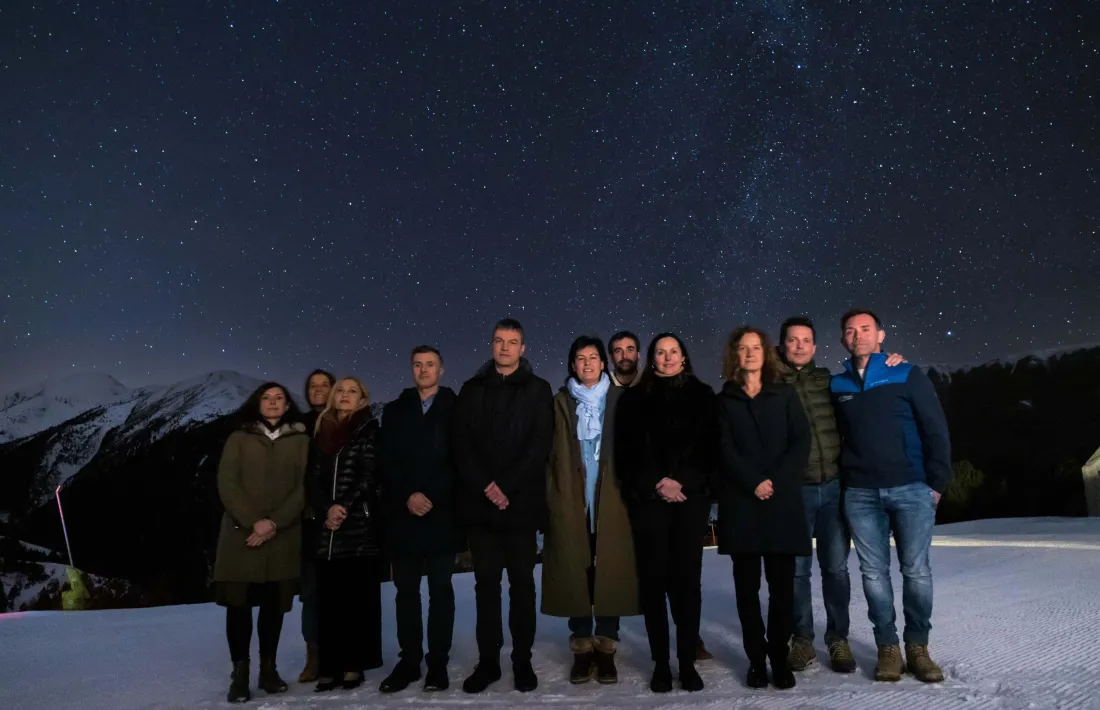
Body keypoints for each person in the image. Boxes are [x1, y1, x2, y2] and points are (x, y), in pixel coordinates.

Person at [831, 309, 952, 683]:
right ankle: (888, 646)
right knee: (873, 574)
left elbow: (935, 428)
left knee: (916, 571)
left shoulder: (906, 373)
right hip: (861, 492)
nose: (858, 335)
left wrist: (937, 483)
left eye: (865, 329)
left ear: (880, 335)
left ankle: (918, 647)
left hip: (912, 488)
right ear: (842, 340)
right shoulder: (836, 385)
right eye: (850, 331)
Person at [779, 317, 905, 674]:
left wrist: (888, 359)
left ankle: (838, 638)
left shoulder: (830, 382)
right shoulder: (773, 384)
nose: (800, 346)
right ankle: (802, 639)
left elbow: (864, 388)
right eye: (793, 340)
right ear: (782, 346)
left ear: (816, 347)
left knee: (835, 569)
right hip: (796, 491)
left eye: (806, 340)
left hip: (834, 486)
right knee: (797, 572)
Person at [452, 318, 554, 693]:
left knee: (523, 585)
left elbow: (539, 442)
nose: (505, 347)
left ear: (523, 348)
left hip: (521, 504)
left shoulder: (538, 389)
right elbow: (460, 444)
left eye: (513, 342)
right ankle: (489, 662)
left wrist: (505, 486)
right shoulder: (471, 389)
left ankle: (522, 660)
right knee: (486, 586)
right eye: (499, 341)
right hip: (481, 507)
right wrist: (486, 486)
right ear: (491, 344)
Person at [615, 332, 717, 693]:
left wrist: (681, 482)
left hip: (691, 500)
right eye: (661, 352)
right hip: (649, 502)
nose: (668, 357)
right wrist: (658, 482)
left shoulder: (704, 397)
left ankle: (687, 661)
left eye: (674, 351)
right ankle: (661, 663)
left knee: (687, 584)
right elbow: (626, 456)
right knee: (654, 583)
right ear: (652, 359)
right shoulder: (633, 400)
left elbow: (710, 451)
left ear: (684, 357)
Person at [716, 327, 811, 690]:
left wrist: (774, 480)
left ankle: (779, 657)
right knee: (747, 591)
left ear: (765, 353)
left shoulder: (784, 394)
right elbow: (723, 448)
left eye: (756, 347)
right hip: (742, 503)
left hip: (781, 502)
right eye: (743, 348)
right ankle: (756, 660)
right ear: (735, 355)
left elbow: (800, 441)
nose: (750, 353)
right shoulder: (724, 400)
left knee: (782, 591)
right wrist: (752, 480)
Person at [542, 335, 639, 686]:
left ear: (603, 363)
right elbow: (546, 457)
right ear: (572, 364)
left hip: (612, 501)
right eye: (580, 358)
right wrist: (553, 496)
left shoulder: (621, 401)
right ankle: (582, 648)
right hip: (572, 501)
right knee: (575, 571)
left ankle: (607, 647)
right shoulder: (559, 403)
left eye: (594, 357)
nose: (587, 363)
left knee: (610, 570)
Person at [214, 382, 309, 704]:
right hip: (241, 535)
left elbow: (304, 487)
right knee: (238, 606)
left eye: (279, 398)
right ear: (257, 404)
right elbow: (227, 483)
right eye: (266, 398)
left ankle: (268, 670)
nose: (272, 402)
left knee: (273, 608)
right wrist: (254, 520)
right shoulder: (239, 438)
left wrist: (274, 523)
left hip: (282, 536)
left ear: (287, 406)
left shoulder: (301, 440)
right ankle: (240, 674)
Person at [378, 346, 461, 693]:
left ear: (441, 370)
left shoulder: (456, 408)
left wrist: (433, 495)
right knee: (406, 592)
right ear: (411, 369)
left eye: (430, 365)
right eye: (418, 365)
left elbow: (460, 457)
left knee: (441, 591)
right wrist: (408, 495)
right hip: (405, 515)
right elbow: (386, 460)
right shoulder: (395, 411)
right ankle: (410, 661)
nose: (424, 370)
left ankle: (437, 662)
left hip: (443, 514)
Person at [308, 377, 385, 692]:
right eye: (340, 389)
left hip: (357, 527)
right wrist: (326, 507)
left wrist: (343, 507)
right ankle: (329, 665)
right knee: (328, 601)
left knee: (356, 600)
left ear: (363, 400)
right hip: (326, 530)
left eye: (352, 391)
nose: (345, 395)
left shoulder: (368, 431)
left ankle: (353, 664)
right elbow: (312, 478)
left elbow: (370, 475)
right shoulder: (321, 431)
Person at [297, 368, 334, 684]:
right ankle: (314, 655)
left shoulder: (348, 422)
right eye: (313, 386)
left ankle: (342, 654)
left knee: (343, 591)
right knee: (311, 593)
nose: (319, 390)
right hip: (308, 522)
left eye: (325, 385)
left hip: (343, 520)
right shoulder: (299, 426)